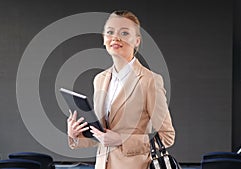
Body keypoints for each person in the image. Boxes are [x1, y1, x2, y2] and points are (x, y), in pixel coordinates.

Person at [67, 10, 175, 169]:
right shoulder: (100, 79)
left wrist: (121, 140)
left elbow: (167, 136)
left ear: (137, 41)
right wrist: (76, 135)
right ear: (104, 39)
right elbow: (102, 135)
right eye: (110, 32)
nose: (115, 37)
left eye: (124, 33)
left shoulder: (149, 81)